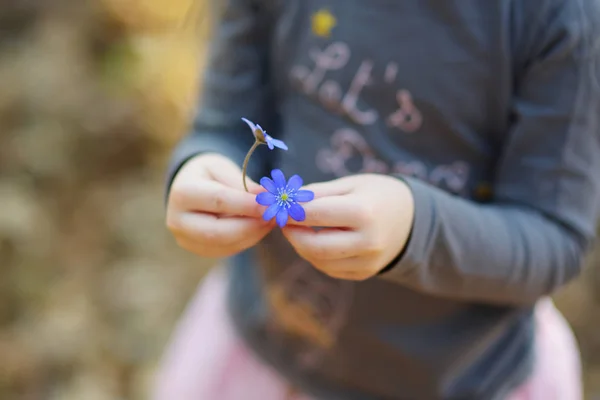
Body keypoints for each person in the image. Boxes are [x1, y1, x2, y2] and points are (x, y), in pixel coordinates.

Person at [155, 0, 600, 398]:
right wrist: (201, 169)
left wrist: (415, 228)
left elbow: (552, 239)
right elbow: (225, 129)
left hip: (456, 380)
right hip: (266, 344)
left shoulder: (563, 18)